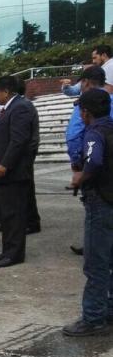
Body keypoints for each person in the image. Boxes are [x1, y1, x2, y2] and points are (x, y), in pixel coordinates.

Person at [64, 89, 113, 336]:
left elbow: (94, 161)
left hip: (100, 202)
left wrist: (79, 178)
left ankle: (93, 318)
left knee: (96, 263)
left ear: (85, 112)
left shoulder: (94, 133)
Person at [0, 75, 40, 268]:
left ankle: (14, 254)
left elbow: (19, 141)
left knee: (15, 214)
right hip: (5, 171)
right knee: (7, 214)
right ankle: (7, 250)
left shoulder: (21, 108)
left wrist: (4, 164)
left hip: (14, 172)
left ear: (6, 92)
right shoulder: (11, 108)